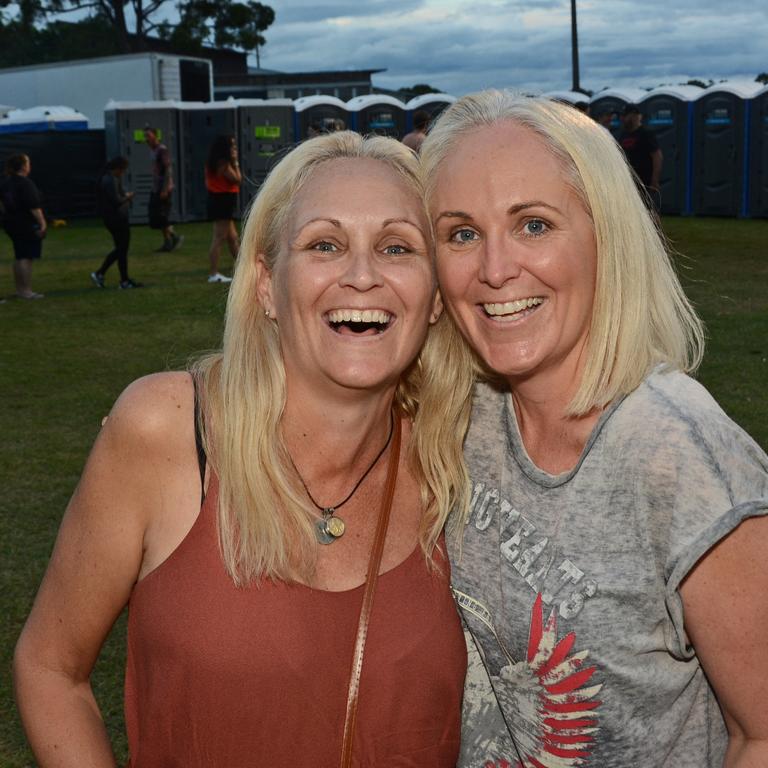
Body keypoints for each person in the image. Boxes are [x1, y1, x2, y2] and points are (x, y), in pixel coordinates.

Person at [14, 131, 472, 767]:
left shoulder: (461, 459)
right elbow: (50, 666)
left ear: (436, 299)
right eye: (325, 245)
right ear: (265, 283)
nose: (362, 275)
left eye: (397, 247)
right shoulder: (168, 431)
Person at [421, 91, 768, 767]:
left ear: (605, 235)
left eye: (534, 225)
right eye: (462, 233)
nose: (495, 270)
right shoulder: (459, 413)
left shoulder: (680, 455)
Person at [91, 156, 142, 290]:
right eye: (123, 170)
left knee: (121, 249)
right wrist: (128, 197)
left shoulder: (110, 178)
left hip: (114, 218)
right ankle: (102, 274)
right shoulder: (108, 180)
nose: (123, 173)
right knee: (121, 249)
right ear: (118, 169)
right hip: (116, 219)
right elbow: (116, 201)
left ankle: (121, 279)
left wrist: (124, 196)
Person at [0, 153, 46, 299]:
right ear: (23, 166)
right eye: (28, 163)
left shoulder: (6, 183)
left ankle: (20, 289)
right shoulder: (25, 183)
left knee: (20, 255)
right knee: (27, 256)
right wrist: (42, 222)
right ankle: (26, 290)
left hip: (10, 222)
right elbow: (34, 206)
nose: (29, 165)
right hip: (26, 223)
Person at [204, 135, 241, 284]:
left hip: (218, 200)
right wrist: (236, 162)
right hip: (223, 201)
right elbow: (237, 179)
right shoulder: (224, 163)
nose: (234, 149)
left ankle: (243, 269)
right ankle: (213, 273)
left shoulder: (212, 162)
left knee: (232, 238)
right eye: (231, 146)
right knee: (219, 238)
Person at [143, 126, 182, 253]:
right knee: (157, 217)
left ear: (155, 136)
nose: (146, 139)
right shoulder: (153, 150)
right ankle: (170, 240)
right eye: (145, 136)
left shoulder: (162, 150)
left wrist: (165, 189)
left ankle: (172, 239)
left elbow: (168, 170)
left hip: (163, 188)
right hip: (156, 188)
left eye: (148, 136)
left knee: (162, 216)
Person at [619, 103, 663, 209]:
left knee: (647, 211)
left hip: (644, 182)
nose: (622, 118)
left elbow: (657, 156)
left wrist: (654, 180)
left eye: (625, 116)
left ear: (634, 115)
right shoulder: (623, 135)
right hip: (628, 181)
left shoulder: (646, 134)